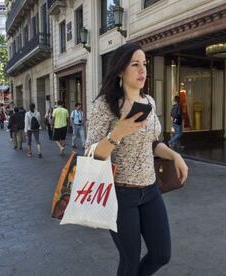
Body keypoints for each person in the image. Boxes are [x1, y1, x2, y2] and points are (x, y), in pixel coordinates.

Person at [85, 43, 188, 276]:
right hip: (120, 195)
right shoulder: (104, 105)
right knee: (130, 260)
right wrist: (118, 132)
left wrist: (175, 155)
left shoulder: (149, 102)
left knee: (162, 254)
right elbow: (91, 154)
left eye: (144, 64)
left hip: (150, 190)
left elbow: (152, 142)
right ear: (121, 70)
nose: (142, 70)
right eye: (135, 64)